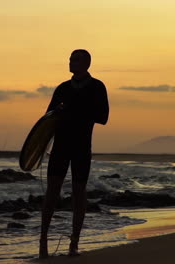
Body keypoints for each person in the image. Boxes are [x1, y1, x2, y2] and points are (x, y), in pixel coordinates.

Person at [39, 49, 109, 258]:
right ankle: (43, 241)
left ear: (87, 63)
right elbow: (48, 118)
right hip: (60, 147)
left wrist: (76, 111)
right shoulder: (62, 88)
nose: (71, 62)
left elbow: (103, 117)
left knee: (79, 193)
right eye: (70, 59)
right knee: (52, 192)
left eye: (75, 59)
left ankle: (74, 243)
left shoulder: (97, 87)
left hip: (81, 147)